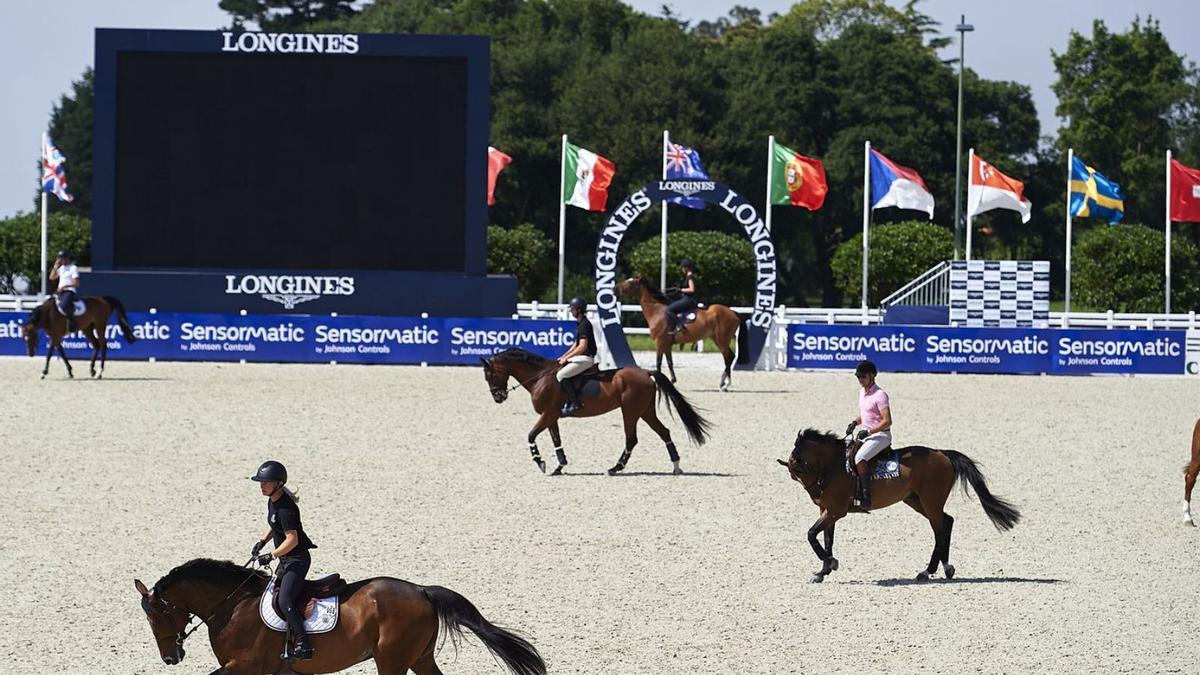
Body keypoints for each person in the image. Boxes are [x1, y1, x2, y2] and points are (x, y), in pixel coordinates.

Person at [250, 461, 317, 661]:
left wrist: (271, 555)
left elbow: (292, 539)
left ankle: (303, 643)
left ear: (278, 483)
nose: (261, 486)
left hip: (297, 560)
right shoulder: (273, 501)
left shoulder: (287, 508)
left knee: (285, 599)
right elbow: (273, 525)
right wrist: (262, 541)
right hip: (286, 558)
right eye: (260, 482)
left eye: (265, 482)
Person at [846, 360, 892, 509]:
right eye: (858, 377)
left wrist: (869, 431)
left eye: (863, 377)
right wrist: (855, 422)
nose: (860, 380)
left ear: (872, 375)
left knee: (860, 458)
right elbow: (867, 415)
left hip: (881, 436)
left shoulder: (880, 395)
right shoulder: (862, 393)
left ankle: (865, 497)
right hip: (866, 434)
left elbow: (887, 421)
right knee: (847, 453)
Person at [556, 296, 597, 416]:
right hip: (580, 357)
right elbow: (575, 345)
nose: (570, 311)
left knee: (561, 375)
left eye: (572, 309)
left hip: (586, 358)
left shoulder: (584, 325)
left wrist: (567, 358)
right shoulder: (580, 323)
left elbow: (582, 347)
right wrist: (563, 356)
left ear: (578, 310)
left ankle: (575, 404)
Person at [49, 250, 80, 332]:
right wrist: (55, 266)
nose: (60, 260)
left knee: (63, 306)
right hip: (60, 291)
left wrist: (65, 286)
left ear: (66, 258)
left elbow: (76, 283)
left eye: (61, 259)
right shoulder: (61, 269)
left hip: (69, 291)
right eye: (59, 259)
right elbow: (52, 277)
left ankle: (73, 322)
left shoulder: (73, 268)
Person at [665, 259, 698, 334]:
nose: (682, 269)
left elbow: (692, 289)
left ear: (686, 268)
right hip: (686, 298)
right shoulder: (689, 276)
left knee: (669, 309)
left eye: (683, 267)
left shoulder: (690, 276)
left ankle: (679, 326)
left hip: (688, 299)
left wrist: (681, 290)